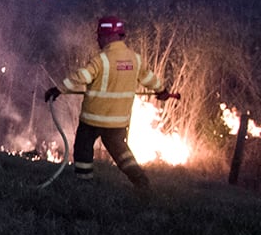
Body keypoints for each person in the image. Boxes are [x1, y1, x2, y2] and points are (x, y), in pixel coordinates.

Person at [44, 15, 176, 189]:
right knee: (121, 152)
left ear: (108, 36)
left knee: (83, 149)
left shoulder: (102, 60)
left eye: (99, 36)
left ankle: (84, 184)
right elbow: (148, 77)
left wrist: (59, 89)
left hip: (93, 118)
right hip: (118, 120)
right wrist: (163, 91)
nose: (98, 40)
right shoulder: (134, 59)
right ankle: (140, 179)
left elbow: (81, 77)